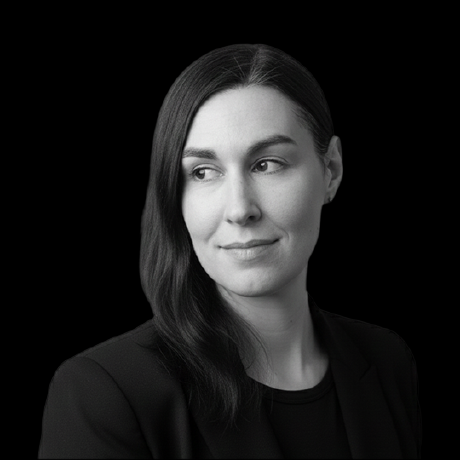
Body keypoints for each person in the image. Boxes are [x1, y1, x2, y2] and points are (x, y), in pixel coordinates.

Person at [38, 43, 421, 459]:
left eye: (267, 164)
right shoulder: (105, 393)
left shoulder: (388, 361)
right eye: (204, 172)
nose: (240, 209)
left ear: (331, 170)